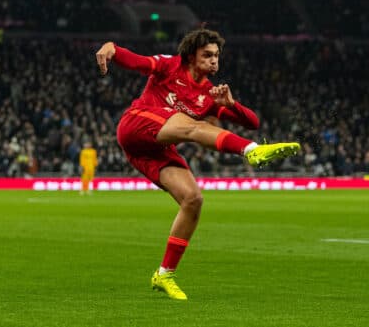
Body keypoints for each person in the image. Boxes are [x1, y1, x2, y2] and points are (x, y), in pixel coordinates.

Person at [95, 28, 300, 300]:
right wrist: (112, 47)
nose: (214, 60)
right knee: (193, 126)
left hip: (153, 148)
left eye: (217, 55)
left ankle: (164, 274)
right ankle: (251, 151)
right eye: (208, 55)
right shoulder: (171, 65)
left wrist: (232, 104)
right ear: (192, 56)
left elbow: (252, 122)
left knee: (193, 199)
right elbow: (137, 61)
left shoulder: (208, 94)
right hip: (135, 124)